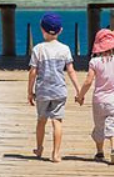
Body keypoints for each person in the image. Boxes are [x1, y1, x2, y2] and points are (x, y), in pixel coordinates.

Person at [75, 28, 114, 165]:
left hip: (98, 100)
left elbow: (88, 81)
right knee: (113, 126)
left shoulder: (95, 62)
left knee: (99, 126)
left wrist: (80, 96)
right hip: (113, 101)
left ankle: (100, 152)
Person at [27, 12, 81, 163]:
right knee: (57, 121)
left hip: (42, 91)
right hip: (59, 91)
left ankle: (39, 148)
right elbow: (71, 70)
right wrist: (78, 90)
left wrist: (29, 92)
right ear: (60, 30)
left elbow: (33, 72)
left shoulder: (38, 49)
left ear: (41, 29)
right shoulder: (65, 49)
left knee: (41, 120)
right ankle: (56, 154)